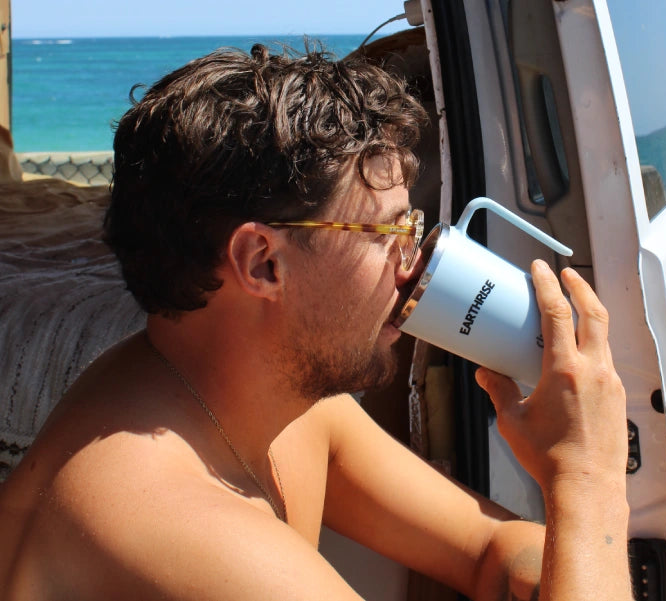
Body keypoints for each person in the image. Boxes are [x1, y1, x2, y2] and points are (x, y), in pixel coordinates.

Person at [0, 44, 632, 600]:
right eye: (390, 231)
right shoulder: (180, 529)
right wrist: (588, 479)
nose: (412, 263)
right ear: (263, 262)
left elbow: (490, 551)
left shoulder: (274, 397)